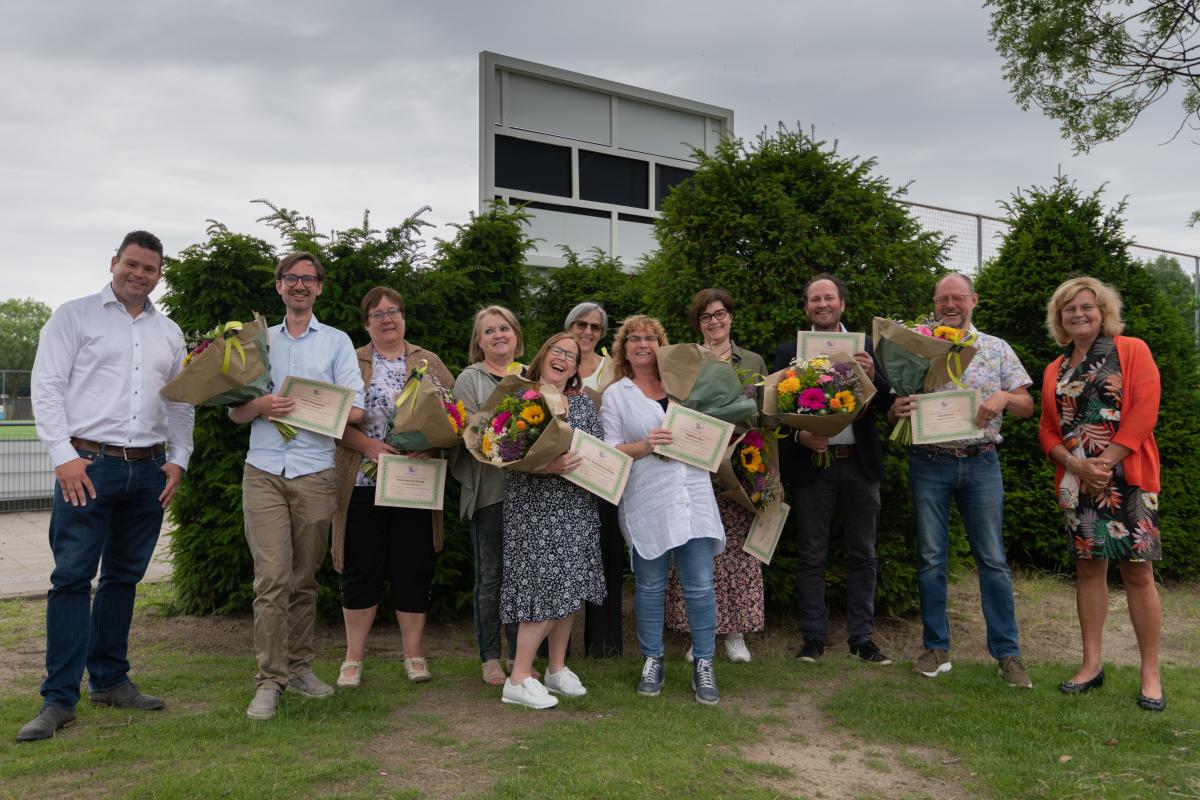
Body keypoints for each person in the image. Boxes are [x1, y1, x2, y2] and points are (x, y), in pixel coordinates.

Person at [20, 230, 195, 742]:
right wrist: (63, 457)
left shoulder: (170, 332)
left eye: (151, 268)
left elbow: (181, 402)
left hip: (148, 471)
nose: (139, 274)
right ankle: (58, 699)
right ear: (114, 262)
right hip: (87, 467)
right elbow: (47, 386)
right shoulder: (73, 316)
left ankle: (110, 680)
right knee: (72, 578)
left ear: (159, 274)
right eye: (132, 264)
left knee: (123, 578)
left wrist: (179, 460)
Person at [229, 251, 364, 721]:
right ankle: (269, 680)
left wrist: (312, 405)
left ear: (320, 287)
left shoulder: (338, 342)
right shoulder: (258, 341)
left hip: (314, 471)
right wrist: (262, 403)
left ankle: (302, 670)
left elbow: (356, 411)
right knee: (271, 579)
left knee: (304, 580)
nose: (300, 285)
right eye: (292, 278)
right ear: (279, 286)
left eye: (309, 279)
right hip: (263, 470)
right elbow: (235, 412)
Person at [890, 272, 1034, 688]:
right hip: (929, 461)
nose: (949, 306)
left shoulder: (995, 349)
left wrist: (1005, 397)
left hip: (981, 462)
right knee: (931, 559)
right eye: (942, 300)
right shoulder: (917, 349)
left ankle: (1008, 655)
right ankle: (936, 648)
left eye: (957, 298)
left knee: (992, 560)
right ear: (934, 304)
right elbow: (895, 407)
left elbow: (1027, 404)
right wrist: (896, 408)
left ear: (974, 300)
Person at [1038, 277, 1164, 711]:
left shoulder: (1132, 350)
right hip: (1079, 482)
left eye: (1087, 307)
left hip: (1127, 478)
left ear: (1103, 311)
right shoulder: (1055, 368)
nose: (1079, 314)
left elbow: (1144, 410)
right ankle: (1091, 665)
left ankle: (1150, 673)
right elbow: (1047, 428)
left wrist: (1104, 463)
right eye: (1069, 309)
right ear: (1061, 318)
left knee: (1138, 573)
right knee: (1089, 571)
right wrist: (1075, 465)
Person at [330, 287, 453, 688]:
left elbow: (456, 417)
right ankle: (352, 659)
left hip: (415, 483)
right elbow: (330, 418)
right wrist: (366, 444)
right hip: (363, 481)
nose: (387, 319)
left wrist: (431, 446)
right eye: (377, 314)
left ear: (404, 317)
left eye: (394, 311)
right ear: (366, 323)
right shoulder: (350, 360)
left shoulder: (428, 361)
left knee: (413, 569)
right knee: (361, 570)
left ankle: (414, 655)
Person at [601, 315, 724, 705]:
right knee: (651, 586)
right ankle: (652, 660)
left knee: (700, 586)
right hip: (648, 499)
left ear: (661, 344)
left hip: (694, 495)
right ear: (623, 348)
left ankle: (704, 663)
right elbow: (609, 451)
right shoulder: (616, 395)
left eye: (650, 338)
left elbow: (710, 429)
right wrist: (645, 445)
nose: (642, 344)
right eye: (633, 339)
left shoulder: (684, 384)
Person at [773, 274, 894, 665]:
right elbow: (772, 412)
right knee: (811, 555)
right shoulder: (790, 351)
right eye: (814, 299)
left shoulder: (869, 349)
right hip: (813, 468)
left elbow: (889, 404)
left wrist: (872, 377)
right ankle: (813, 638)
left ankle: (862, 638)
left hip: (859, 465)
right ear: (806, 307)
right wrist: (800, 437)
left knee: (863, 553)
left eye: (829, 298)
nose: (822, 304)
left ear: (842, 304)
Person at [499, 333, 607, 709]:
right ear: (543, 356)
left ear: (577, 368)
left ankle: (557, 669)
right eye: (557, 351)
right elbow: (504, 454)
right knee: (545, 587)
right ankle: (518, 678)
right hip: (533, 509)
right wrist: (549, 467)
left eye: (571, 356)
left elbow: (598, 452)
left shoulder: (581, 405)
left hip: (576, 506)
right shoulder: (519, 399)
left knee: (570, 587)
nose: (562, 358)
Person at [665, 288, 765, 663]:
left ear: (730, 316)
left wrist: (768, 472)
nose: (714, 322)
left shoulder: (752, 360)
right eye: (706, 317)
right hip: (696, 462)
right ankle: (700, 633)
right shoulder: (686, 360)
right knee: (699, 548)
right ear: (698, 324)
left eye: (720, 314)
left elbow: (764, 414)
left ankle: (736, 633)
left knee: (738, 549)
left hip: (740, 459)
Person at [450, 305, 524, 686]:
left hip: (529, 491)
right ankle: (490, 657)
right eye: (489, 331)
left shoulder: (530, 377)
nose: (499, 335)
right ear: (479, 342)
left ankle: (519, 654)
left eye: (505, 328)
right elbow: (471, 433)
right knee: (492, 575)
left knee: (522, 575)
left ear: (516, 335)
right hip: (490, 490)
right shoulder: (469, 379)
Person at [565, 302, 624, 658]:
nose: (587, 332)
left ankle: (604, 644)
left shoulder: (614, 368)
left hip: (604, 473)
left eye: (595, 328)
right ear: (569, 327)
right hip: (562, 473)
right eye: (581, 325)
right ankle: (554, 648)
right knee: (562, 558)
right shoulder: (552, 360)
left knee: (607, 556)